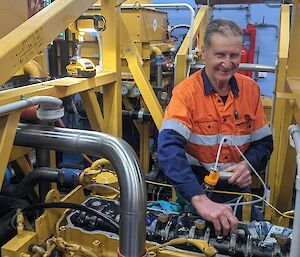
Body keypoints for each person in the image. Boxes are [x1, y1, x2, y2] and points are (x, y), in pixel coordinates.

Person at [157, 19, 273, 236]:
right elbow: (168, 148)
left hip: (237, 188)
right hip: (195, 187)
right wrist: (199, 199)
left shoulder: (251, 90)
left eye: (234, 55)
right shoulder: (186, 93)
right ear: (204, 54)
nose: (227, 63)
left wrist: (247, 166)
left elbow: (264, 142)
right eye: (220, 55)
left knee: (252, 237)